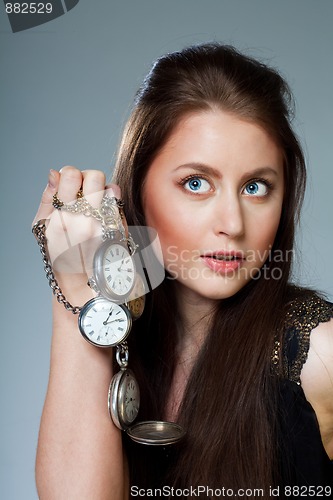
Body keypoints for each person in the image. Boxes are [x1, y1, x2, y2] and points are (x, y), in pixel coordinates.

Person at [33, 43, 333, 499]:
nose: (232, 224)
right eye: (196, 183)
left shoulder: (320, 354)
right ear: (136, 190)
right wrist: (75, 296)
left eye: (256, 187)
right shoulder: (127, 336)